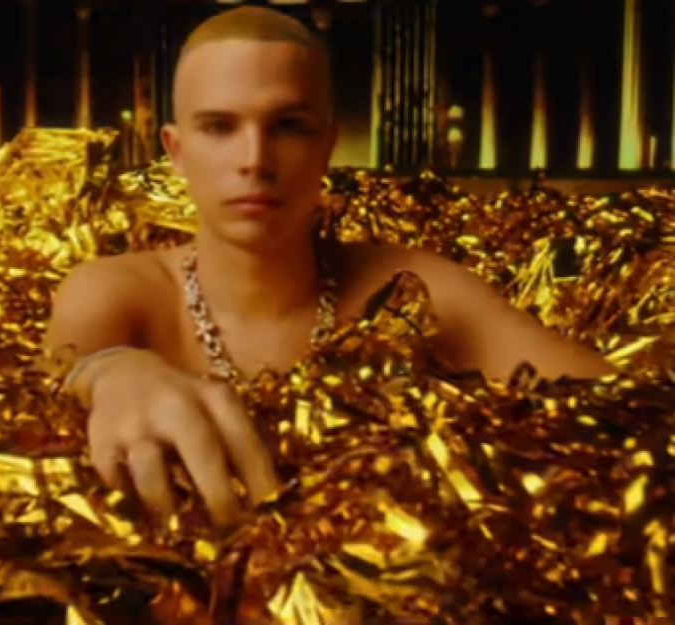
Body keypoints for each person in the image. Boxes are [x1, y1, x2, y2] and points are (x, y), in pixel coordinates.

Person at [43, 6, 614, 530]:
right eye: (219, 126)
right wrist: (110, 371)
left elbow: (617, 406)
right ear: (176, 151)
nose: (254, 160)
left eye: (288, 125)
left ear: (327, 145)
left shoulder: (411, 289)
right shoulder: (117, 290)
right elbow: (61, 372)